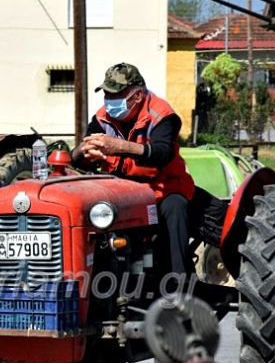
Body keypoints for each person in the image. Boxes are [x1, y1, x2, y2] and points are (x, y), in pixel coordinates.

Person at [71, 63, 195, 275]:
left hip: (162, 189)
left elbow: (161, 154)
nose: (109, 101)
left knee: (175, 208)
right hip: (120, 192)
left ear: (137, 95)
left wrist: (120, 147)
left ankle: (179, 284)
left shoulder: (162, 115)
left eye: (115, 95)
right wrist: (83, 152)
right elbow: (79, 156)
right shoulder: (102, 118)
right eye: (107, 95)